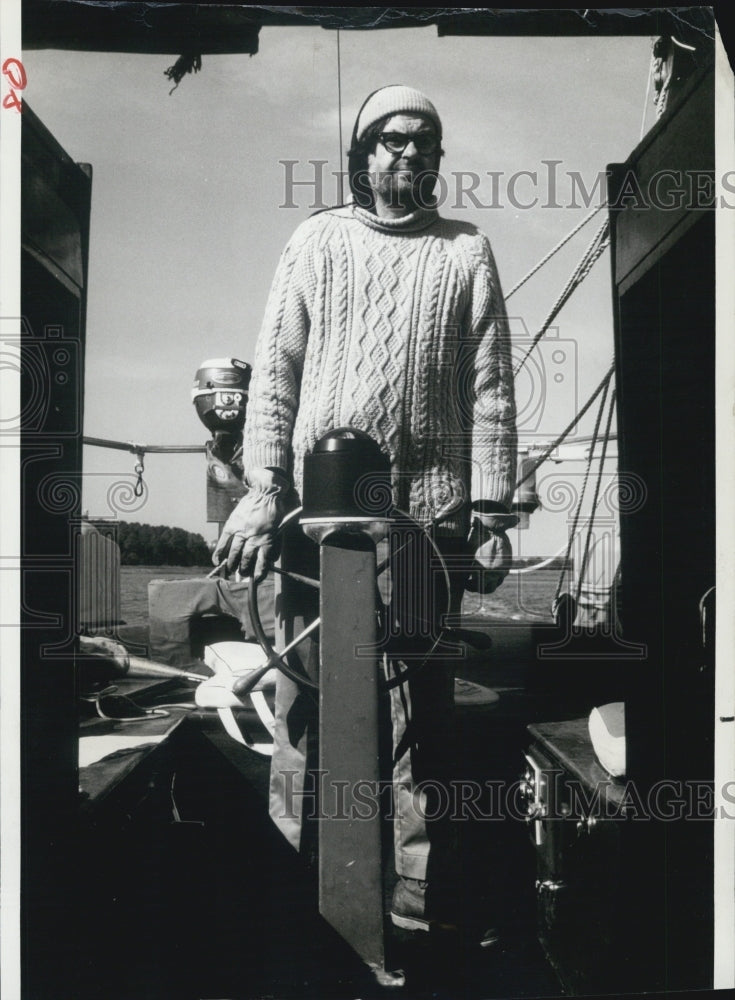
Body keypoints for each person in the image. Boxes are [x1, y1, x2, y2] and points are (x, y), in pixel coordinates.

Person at [214, 85, 518, 933]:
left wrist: (492, 513)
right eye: (391, 139)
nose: (409, 152)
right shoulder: (315, 241)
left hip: (427, 524)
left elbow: (491, 389)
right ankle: (294, 885)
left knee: (420, 715)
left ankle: (413, 897)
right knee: (306, 703)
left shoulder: (467, 251)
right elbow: (275, 375)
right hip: (316, 525)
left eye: (425, 141)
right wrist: (263, 490)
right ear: (362, 153)